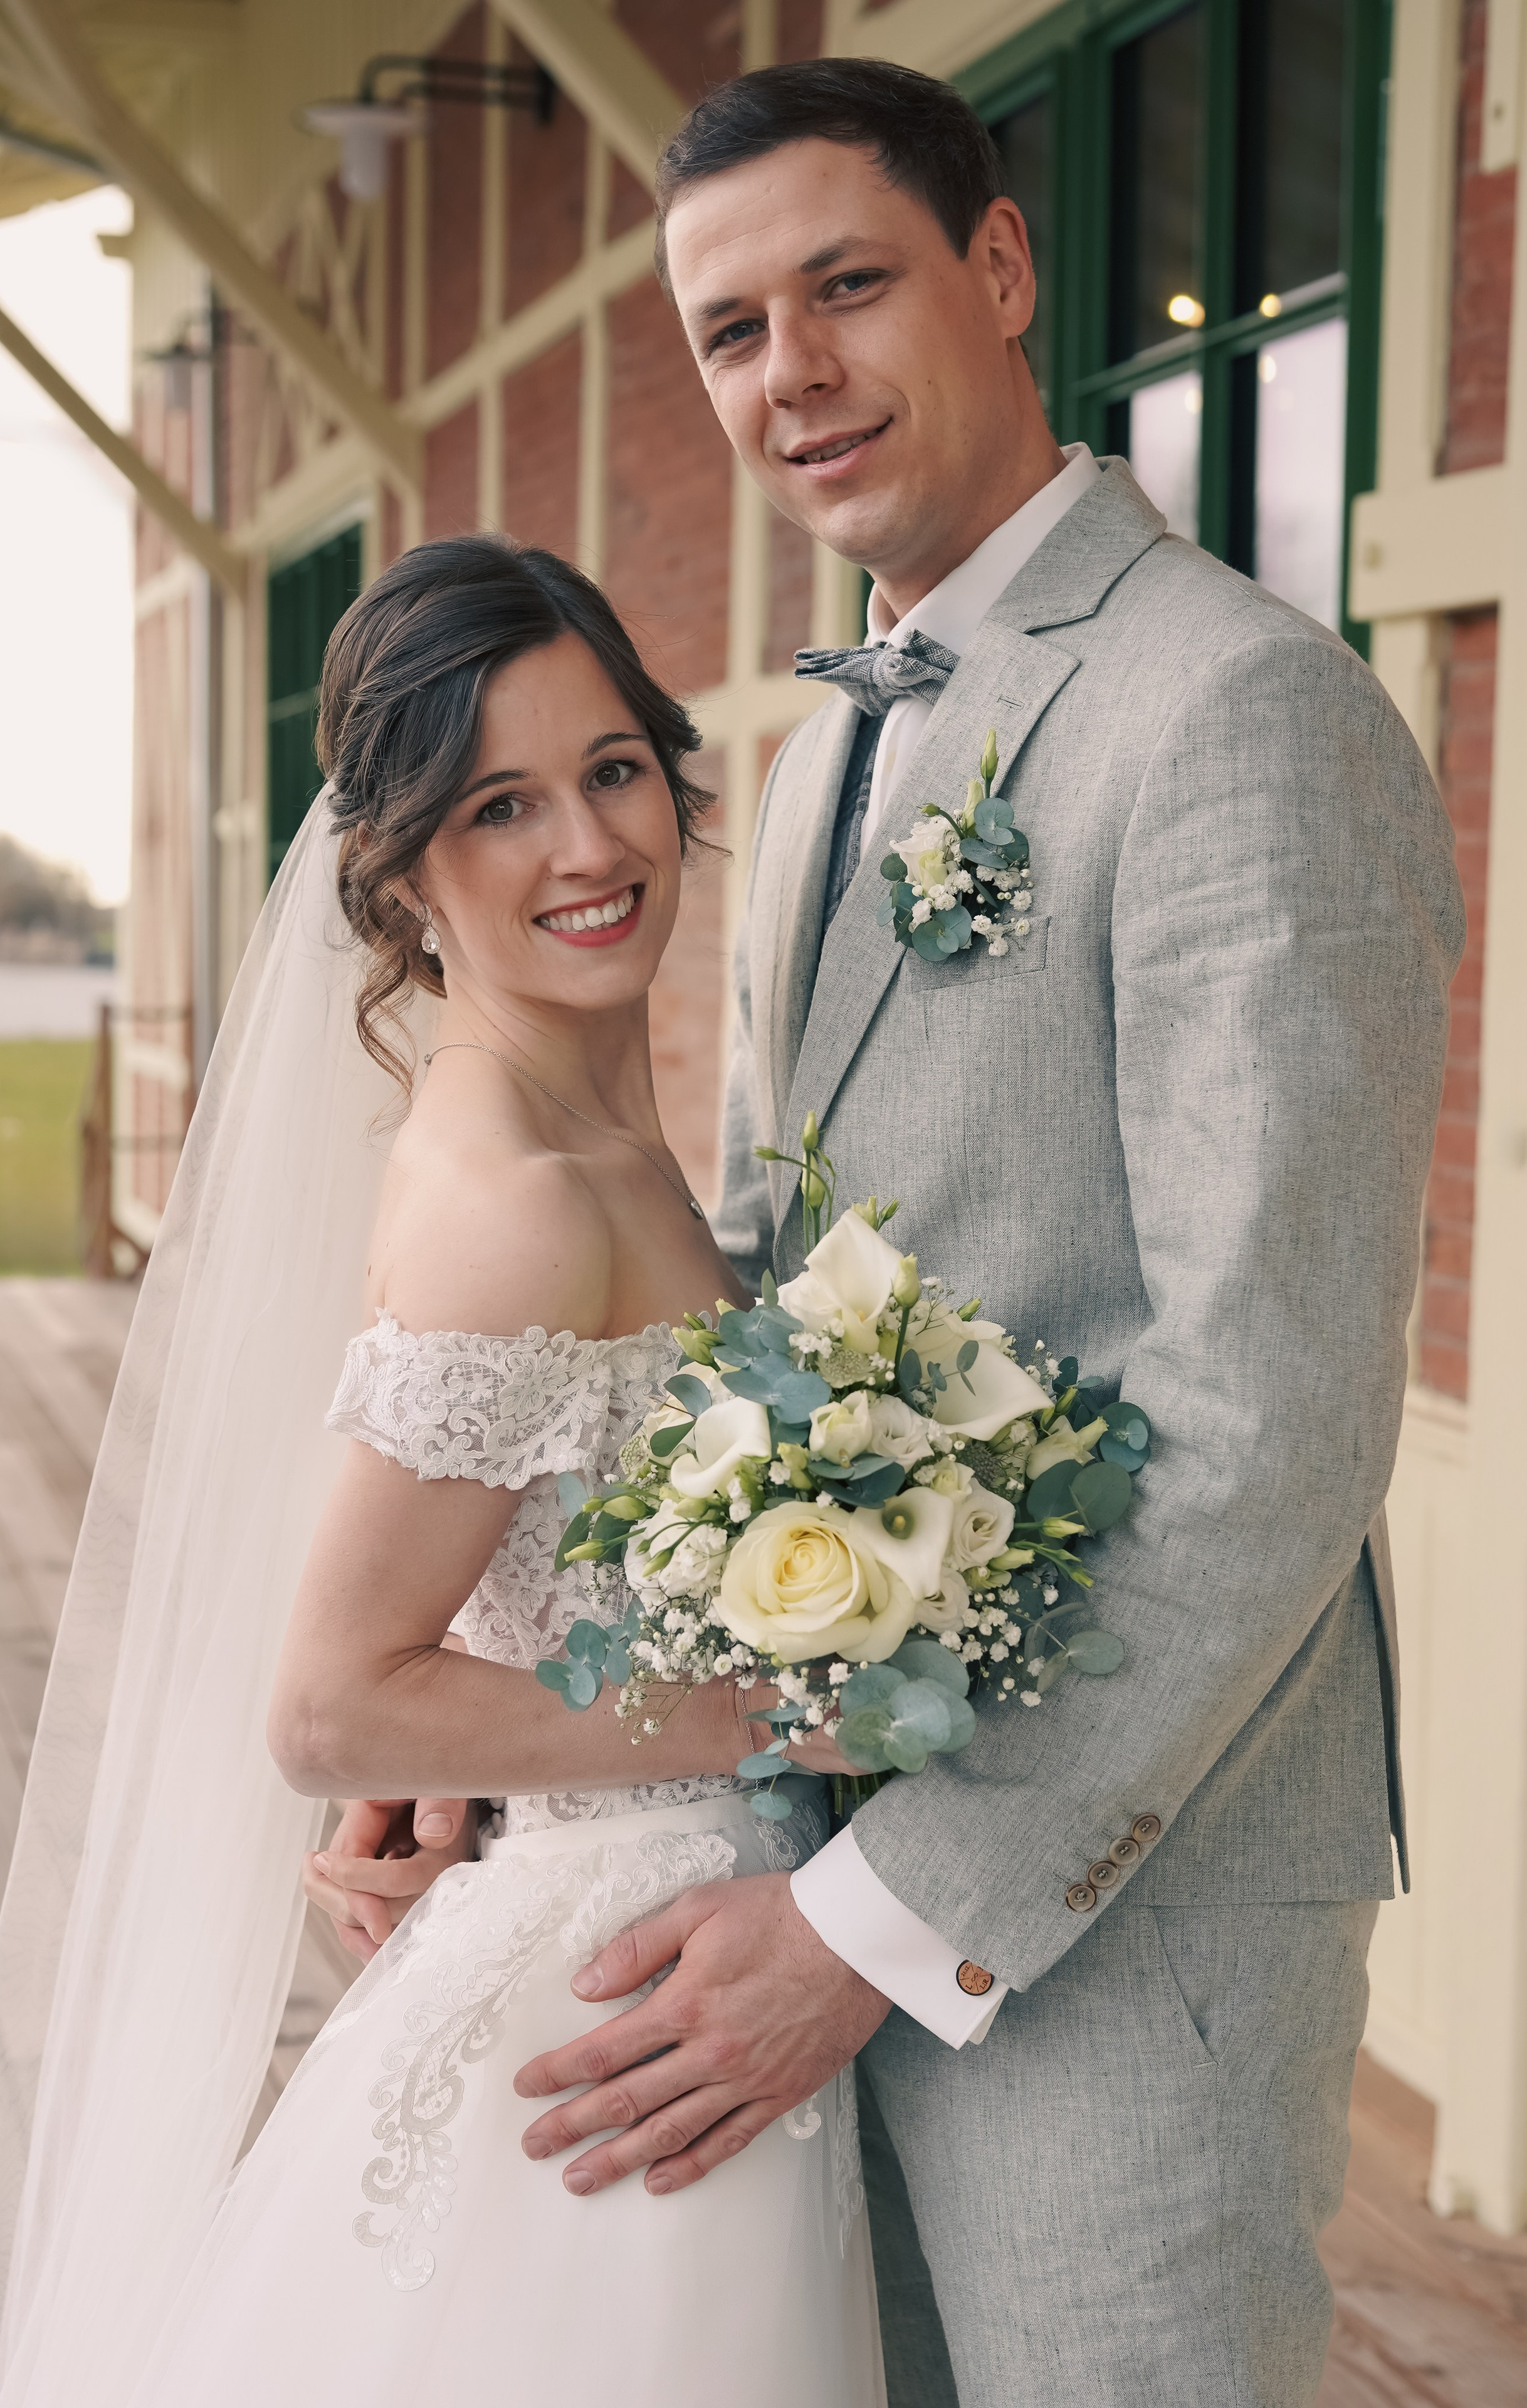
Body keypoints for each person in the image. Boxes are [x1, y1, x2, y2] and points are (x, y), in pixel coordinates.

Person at [321, 60, 1465, 2408]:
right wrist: (519, 1721)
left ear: (1008, 270)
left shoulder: (1244, 713)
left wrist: (875, 1917)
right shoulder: (834, 734)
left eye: (849, 286)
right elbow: (767, 1295)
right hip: (793, 1835)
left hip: (1117, 1907)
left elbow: (1269, 1419)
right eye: (732, 331)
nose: (791, 376)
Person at [0, 539, 883, 2408]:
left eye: (613, 769)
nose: (588, 848)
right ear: (400, 871)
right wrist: (774, 1705)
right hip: (611, 2024)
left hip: (667, 1957)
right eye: (499, 805)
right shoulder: (516, 1198)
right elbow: (333, 1701)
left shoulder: (596, 1136)